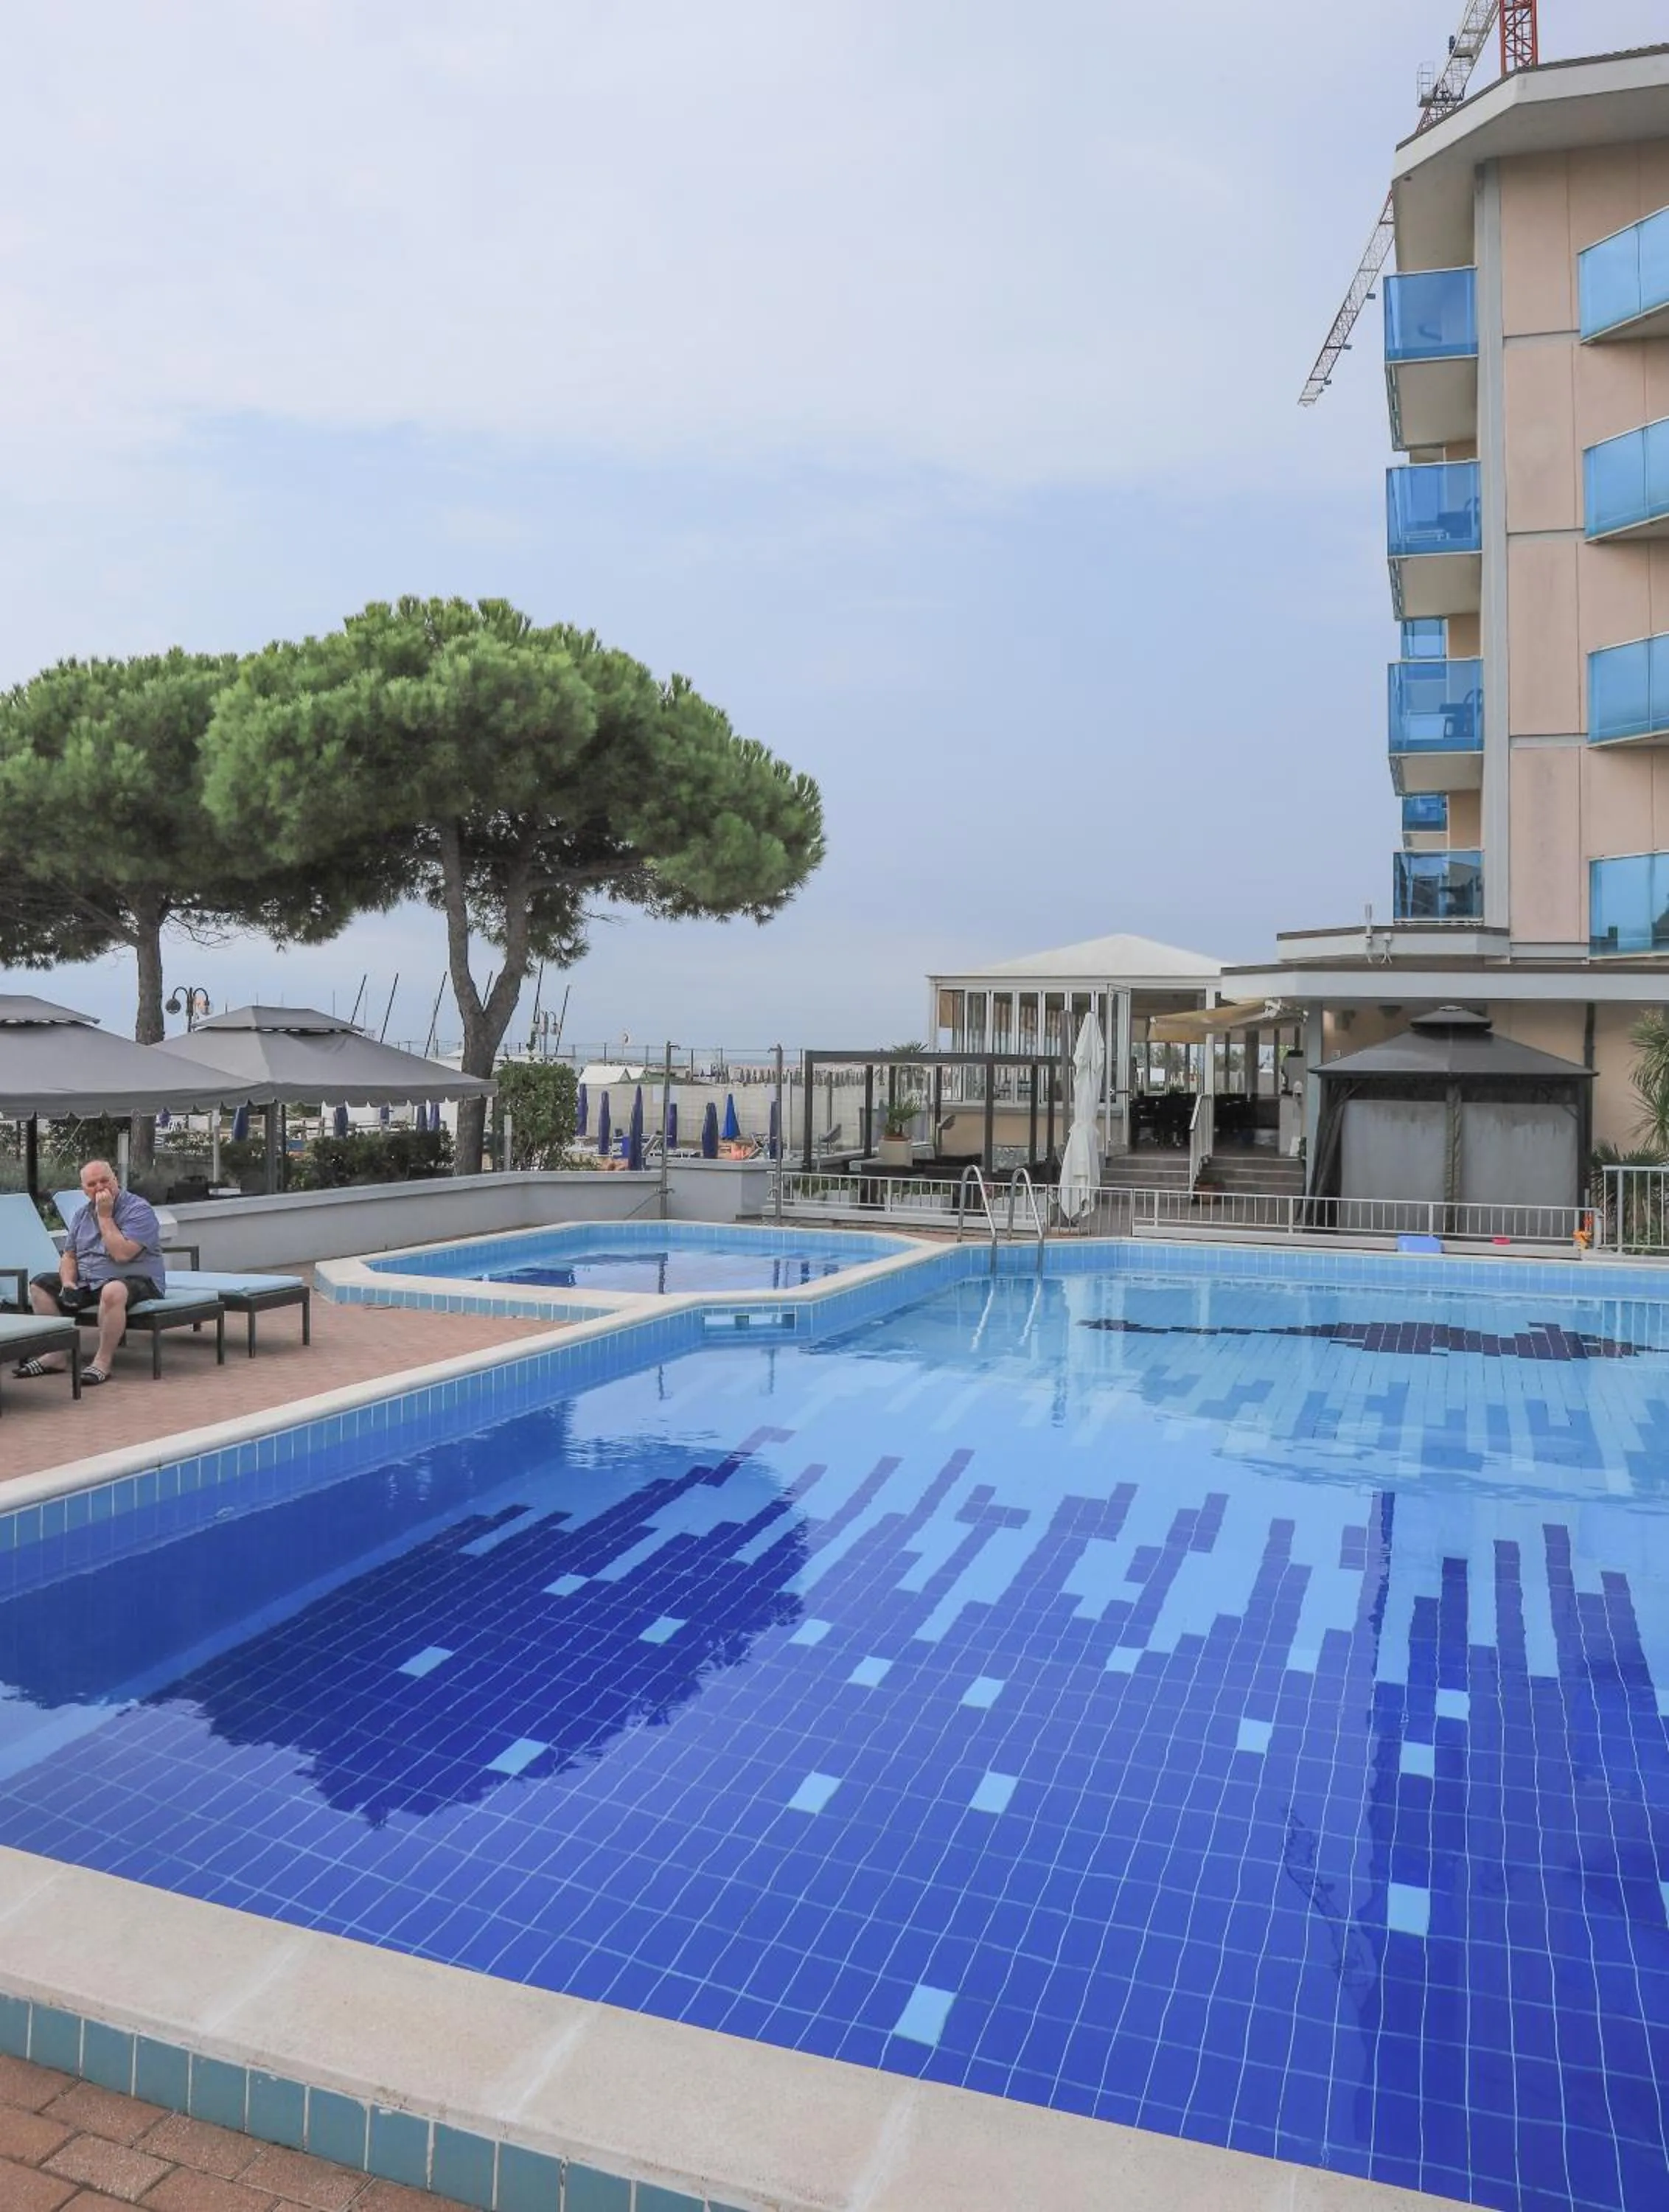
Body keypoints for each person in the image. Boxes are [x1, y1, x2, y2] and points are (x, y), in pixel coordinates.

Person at [13, 1158, 167, 1388]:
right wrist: (67, 1283)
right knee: (40, 1285)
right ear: (84, 1190)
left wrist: (105, 1217)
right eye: (92, 1184)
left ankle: (103, 1361)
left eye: (105, 1181)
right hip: (91, 1280)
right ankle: (56, 1355)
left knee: (113, 1289)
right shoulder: (81, 1215)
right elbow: (70, 1255)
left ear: (115, 1179)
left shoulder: (139, 1210)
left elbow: (122, 1254)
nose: (100, 1188)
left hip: (139, 1280)